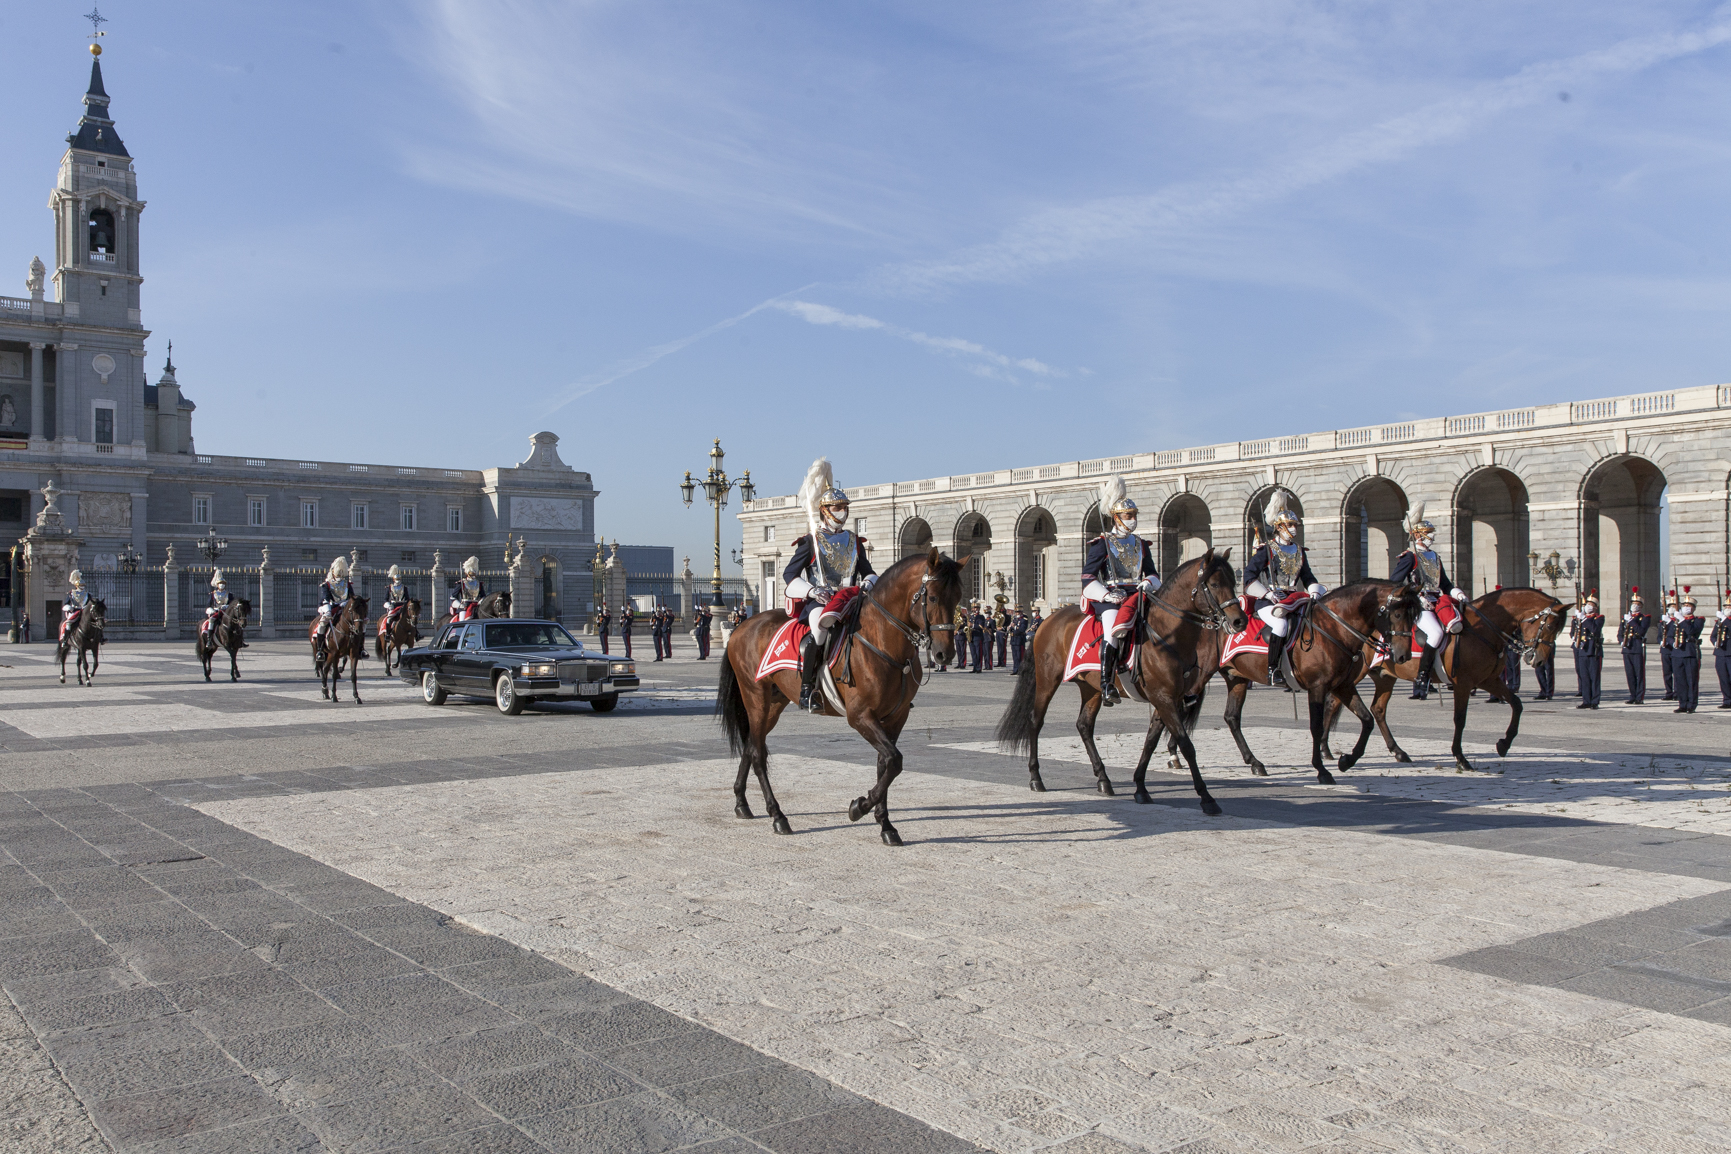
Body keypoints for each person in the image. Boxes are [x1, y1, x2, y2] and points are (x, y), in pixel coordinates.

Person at [782, 458, 876, 712]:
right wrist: (812, 590)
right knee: (820, 632)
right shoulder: (811, 541)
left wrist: (869, 583)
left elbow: (867, 571)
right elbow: (789, 576)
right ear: (825, 510)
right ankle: (807, 689)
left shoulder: (855, 541)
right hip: (820, 601)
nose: (842, 512)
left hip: (851, 598)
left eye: (844, 507)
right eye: (836, 507)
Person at [1082, 474, 1160, 706]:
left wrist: (1149, 583)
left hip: (1137, 594)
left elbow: (1153, 573)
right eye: (1128, 515)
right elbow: (1087, 578)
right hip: (1110, 597)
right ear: (1116, 518)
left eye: (1134, 515)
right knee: (1112, 628)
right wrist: (1106, 595)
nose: (1133, 519)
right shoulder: (1102, 544)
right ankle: (1107, 683)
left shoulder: (1141, 544)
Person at [1242, 491, 1326, 691]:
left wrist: (1314, 590)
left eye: (1295, 525)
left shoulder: (1298, 551)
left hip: (1293, 598)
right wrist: (1268, 594)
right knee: (1280, 625)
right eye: (1289, 525)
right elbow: (1249, 576)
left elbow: (1308, 577)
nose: (1293, 528)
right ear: (1279, 528)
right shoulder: (1267, 550)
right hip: (1269, 600)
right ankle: (1273, 669)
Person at [1390, 502, 1469, 700]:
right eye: (1428, 532)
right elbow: (1394, 582)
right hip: (1418, 605)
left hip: (1438, 601)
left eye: (1432, 532)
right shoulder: (1410, 557)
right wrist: (1414, 597)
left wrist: (1456, 592)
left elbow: (1444, 583)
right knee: (1435, 632)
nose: (1432, 536)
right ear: (1417, 535)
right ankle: (1422, 677)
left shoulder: (1435, 557)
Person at [317, 556, 360, 651]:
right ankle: (320, 649)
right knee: (322, 625)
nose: (339, 575)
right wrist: (328, 610)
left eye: (341, 573)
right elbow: (326, 598)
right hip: (332, 607)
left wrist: (346, 603)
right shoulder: (327, 584)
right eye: (337, 573)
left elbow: (352, 596)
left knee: (360, 622)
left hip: (345, 607)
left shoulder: (347, 584)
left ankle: (360, 648)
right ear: (333, 573)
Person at [1570, 591, 1604, 709]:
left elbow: (1595, 629)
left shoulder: (1599, 618)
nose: (1588, 606)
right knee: (1584, 677)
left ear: (1595, 607)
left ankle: (1595, 701)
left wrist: (1585, 619)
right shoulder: (1581, 619)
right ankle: (1586, 700)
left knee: (1594, 677)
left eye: (1591, 605)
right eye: (1587, 604)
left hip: (1593, 650)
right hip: (1583, 650)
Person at [1619, 587, 1651, 705]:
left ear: (1641, 606)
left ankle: (1639, 696)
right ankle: (1632, 695)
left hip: (1637, 648)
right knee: (1630, 674)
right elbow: (1620, 632)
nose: (1634, 605)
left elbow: (1641, 631)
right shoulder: (1625, 619)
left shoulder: (1645, 618)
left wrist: (1632, 621)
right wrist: (1622, 641)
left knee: (1639, 673)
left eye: (1637, 604)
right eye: (1633, 603)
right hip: (1627, 648)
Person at [1675, 588, 1704, 713]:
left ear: (1693, 608)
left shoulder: (1698, 620)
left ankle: (1691, 704)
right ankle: (1682, 703)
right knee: (1680, 680)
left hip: (1691, 652)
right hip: (1678, 652)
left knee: (1691, 680)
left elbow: (1691, 631)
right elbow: (1669, 635)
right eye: (1684, 605)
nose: (1686, 607)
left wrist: (1682, 620)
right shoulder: (1676, 621)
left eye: (1689, 606)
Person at [203, 569, 247, 646]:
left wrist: (227, 606)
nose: (222, 585)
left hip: (227, 612)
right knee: (211, 620)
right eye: (220, 583)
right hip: (217, 611)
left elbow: (233, 604)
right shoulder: (213, 594)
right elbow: (208, 605)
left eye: (223, 583)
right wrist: (211, 610)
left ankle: (240, 640)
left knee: (237, 621)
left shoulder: (229, 594)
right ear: (217, 584)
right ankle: (209, 640)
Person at [448, 556, 485, 624]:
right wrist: (460, 605)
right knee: (462, 622)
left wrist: (481, 601)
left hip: (477, 605)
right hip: (465, 606)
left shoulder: (479, 583)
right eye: (471, 573)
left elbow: (483, 596)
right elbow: (453, 597)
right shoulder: (462, 583)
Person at [61, 569, 93, 642]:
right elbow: (66, 604)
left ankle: (100, 638)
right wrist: (69, 607)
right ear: (76, 585)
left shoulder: (88, 594)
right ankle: (65, 639)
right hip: (74, 611)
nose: (82, 587)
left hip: (85, 611)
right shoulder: (71, 594)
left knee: (97, 622)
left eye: (83, 585)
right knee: (68, 623)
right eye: (80, 585)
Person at [1659, 589, 1680, 700]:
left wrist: (1670, 622)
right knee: (1666, 673)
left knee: (1676, 672)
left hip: (1675, 649)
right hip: (1665, 649)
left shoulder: (1679, 620)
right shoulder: (1663, 620)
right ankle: (1668, 692)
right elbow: (1659, 635)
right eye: (1670, 606)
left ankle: (1677, 692)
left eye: (1673, 605)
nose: (1671, 608)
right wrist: (1661, 642)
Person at [1713, 592, 1731, 710]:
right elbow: (1713, 635)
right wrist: (1715, 642)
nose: (1727, 609)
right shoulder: (1720, 622)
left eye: (1729, 607)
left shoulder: (1726, 621)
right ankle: (1727, 699)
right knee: (1723, 678)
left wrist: (1725, 619)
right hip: (1721, 653)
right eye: (1726, 607)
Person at [969, 603, 989, 673]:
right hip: (971, 636)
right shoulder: (971, 617)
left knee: (978, 653)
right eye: (974, 608)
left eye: (977, 608)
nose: (975, 609)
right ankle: (974, 666)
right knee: (973, 653)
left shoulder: (981, 617)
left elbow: (981, 626)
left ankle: (978, 667)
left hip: (978, 636)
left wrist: (972, 625)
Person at [1009, 607, 1029, 673]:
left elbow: (1022, 629)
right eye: (1016, 612)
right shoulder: (1015, 620)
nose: (1016, 613)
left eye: (1018, 612)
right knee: (1015, 656)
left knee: (1019, 656)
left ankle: (1020, 669)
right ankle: (1015, 669)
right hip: (1014, 639)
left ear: (1021, 612)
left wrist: (1014, 626)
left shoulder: (1024, 620)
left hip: (1019, 640)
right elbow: (1012, 629)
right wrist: (1010, 627)